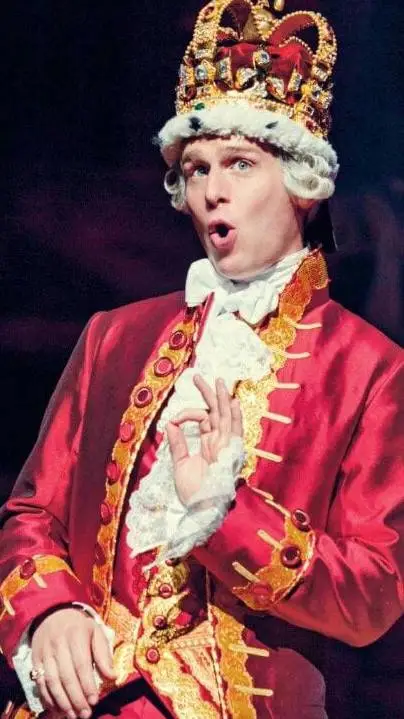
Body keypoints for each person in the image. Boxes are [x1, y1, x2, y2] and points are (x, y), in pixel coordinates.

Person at [1, 1, 404, 718]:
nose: (213, 190)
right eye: (196, 168)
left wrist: (224, 511)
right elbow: (32, 512)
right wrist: (49, 612)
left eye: (241, 165)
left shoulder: (371, 369)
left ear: (302, 185)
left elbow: (373, 594)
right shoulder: (114, 337)